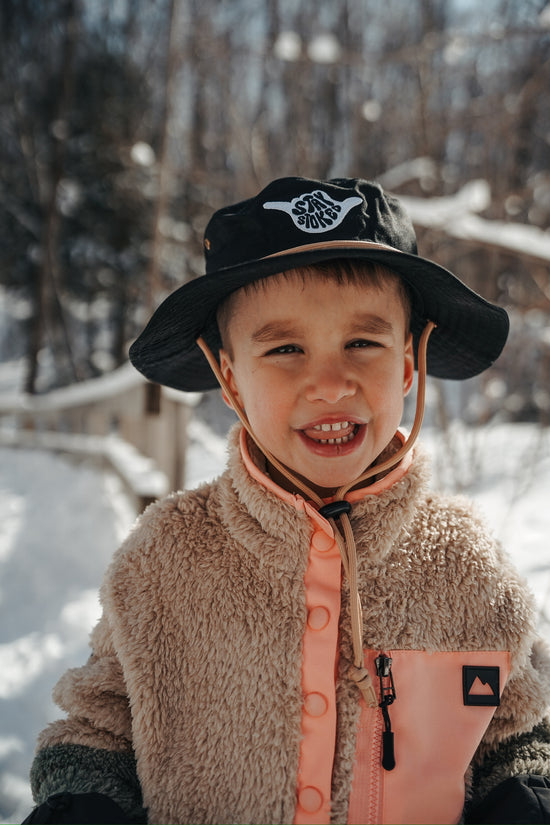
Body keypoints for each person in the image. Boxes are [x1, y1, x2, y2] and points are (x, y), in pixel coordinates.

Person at [24, 177, 550, 825]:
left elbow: (521, 734)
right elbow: (96, 727)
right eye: (284, 348)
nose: (330, 382)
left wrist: (528, 798)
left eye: (364, 342)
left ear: (411, 361)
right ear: (229, 377)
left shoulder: (470, 567)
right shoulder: (160, 560)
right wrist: (81, 802)